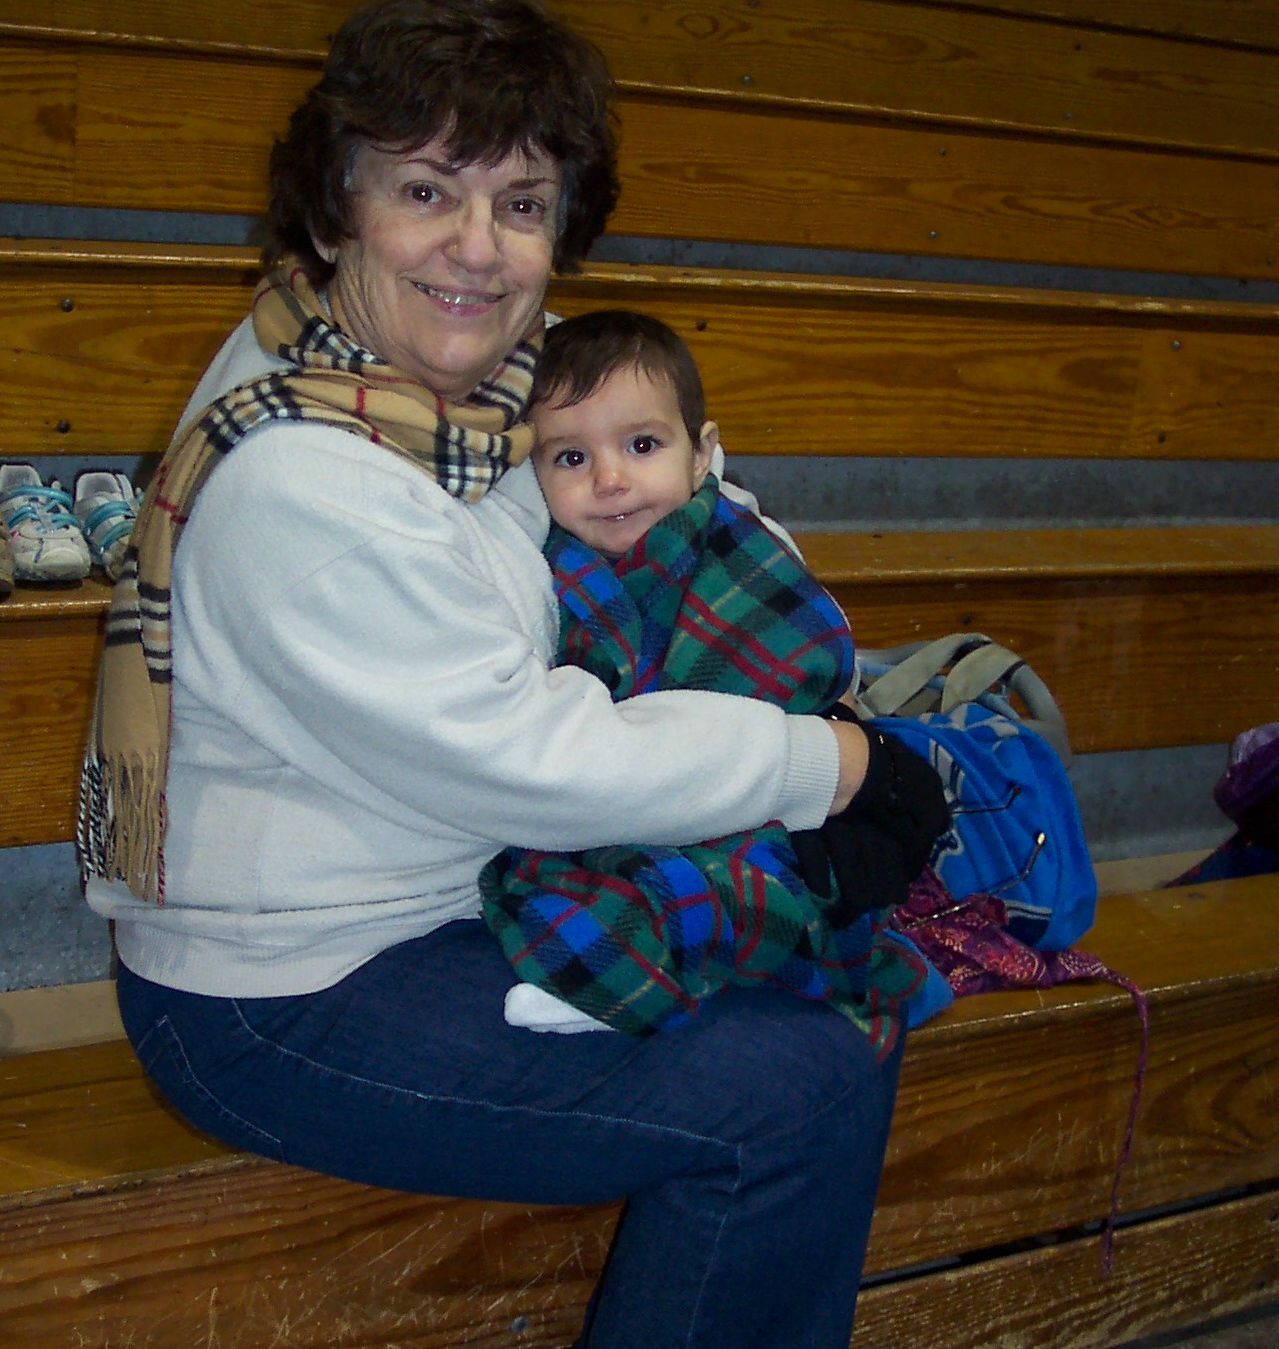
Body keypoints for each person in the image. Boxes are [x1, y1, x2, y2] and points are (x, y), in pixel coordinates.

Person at [77, 3, 944, 1345]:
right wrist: (821, 763)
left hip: (460, 891)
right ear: (336, 208)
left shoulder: (494, 381)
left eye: (521, 203)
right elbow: (531, 759)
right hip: (284, 992)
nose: (477, 249)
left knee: (831, 979)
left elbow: (686, 512)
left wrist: (780, 663)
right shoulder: (301, 474)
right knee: (798, 1088)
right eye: (427, 192)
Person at [483, 309, 935, 1053]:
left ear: (700, 454)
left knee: (757, 878)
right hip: (625, 798)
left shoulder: (746, 548)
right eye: (570, 458)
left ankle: (648, 966)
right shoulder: (550, 569)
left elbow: (812, 660)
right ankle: (636, 963)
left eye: (642, 445)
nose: (610, 480)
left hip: (761, 806)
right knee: (548, 871)